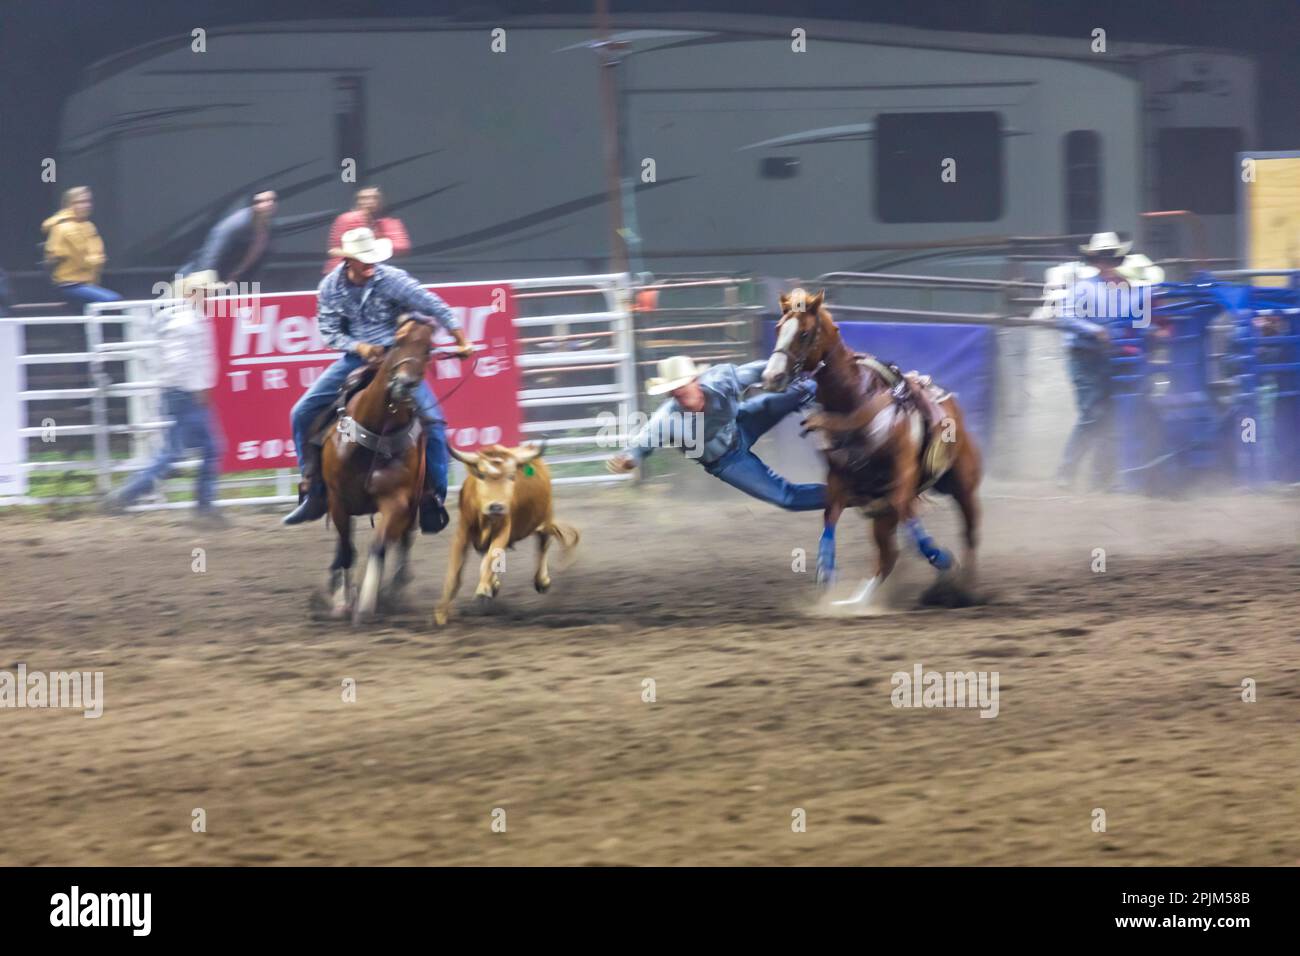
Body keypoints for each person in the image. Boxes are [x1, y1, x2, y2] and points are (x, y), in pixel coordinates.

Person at [283, 227, 472, 530]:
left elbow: (433, 304)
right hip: (355, 358)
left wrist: (461, 339)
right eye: (363, 259)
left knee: (434, 423)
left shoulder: (391, 279)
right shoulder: (330, 287)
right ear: (348, 260)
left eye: (372, 257)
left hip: (397, 360)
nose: (370, 264)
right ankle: (313, 488)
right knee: (301, 412)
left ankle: (432, 497)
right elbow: (330, 331)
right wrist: (358, 346)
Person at [605, 355, 825, 511]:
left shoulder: (720, 380)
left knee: (802, 391)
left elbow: (761, 370)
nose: (680, 394)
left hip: (742, 423)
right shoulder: (666, 420)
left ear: (696, 381)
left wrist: (792, 366)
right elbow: (643, 441)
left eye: (683, 386)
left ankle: (838, 383)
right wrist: (629, 458)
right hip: (727, 461)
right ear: (670, 394)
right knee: (786, 498)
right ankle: (849, 493)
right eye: (675, 392)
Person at [101, 271, 225, 525]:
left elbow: (176, 361)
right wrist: (197, 388)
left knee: (180, 452)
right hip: (186, 394)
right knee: (195, 450)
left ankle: (128, 495)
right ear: (194, 294)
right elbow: (179, 362)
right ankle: (201, 507)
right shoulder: (188, 323)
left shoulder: (182, 319)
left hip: (181, 393)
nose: (211, 297)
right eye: (207, 292)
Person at [1056, 232, 1149, 490]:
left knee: (1108, 418)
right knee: (1093, 415)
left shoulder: (1127, 290)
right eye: (1103, 258)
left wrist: (1150, 330)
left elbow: (1139, 319)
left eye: (1111, 258)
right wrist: (1095, 330)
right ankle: (1068, 471)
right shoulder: (1084, 288)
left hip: (1111, 359)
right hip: (1085, 358)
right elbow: (1064, 318)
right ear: (1095, 261)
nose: (1107, 263)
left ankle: (1100, 478)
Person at [42, 187, 121, 311]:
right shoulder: (62, 227)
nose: (87, 205)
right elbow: (53, 256)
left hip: (88, 282)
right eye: (80, 202)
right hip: (69, 284)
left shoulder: (89, 227)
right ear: (69, 205)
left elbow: (97, 254)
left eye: (88, 201)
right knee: (112, 300)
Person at [181, 190, 277, 287]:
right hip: (203, 280)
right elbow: (212, 253)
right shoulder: (236, 224)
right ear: (253, 205)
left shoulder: (269, 226)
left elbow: (258, 257)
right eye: (261, 201)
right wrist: (203, 282)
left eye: (272, 200)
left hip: (235, 282)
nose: (268, 204)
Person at [323, 187, 410, 274]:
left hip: (377, 272)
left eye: (374, 198)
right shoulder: (347, 219)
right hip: (345, 273)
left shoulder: (388, 222)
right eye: (364, 198)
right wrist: (360, 255)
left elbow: (402, 246)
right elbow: (334, 251)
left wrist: (376, 240)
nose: (369, 201)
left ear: (380, 202)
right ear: (357, 202)